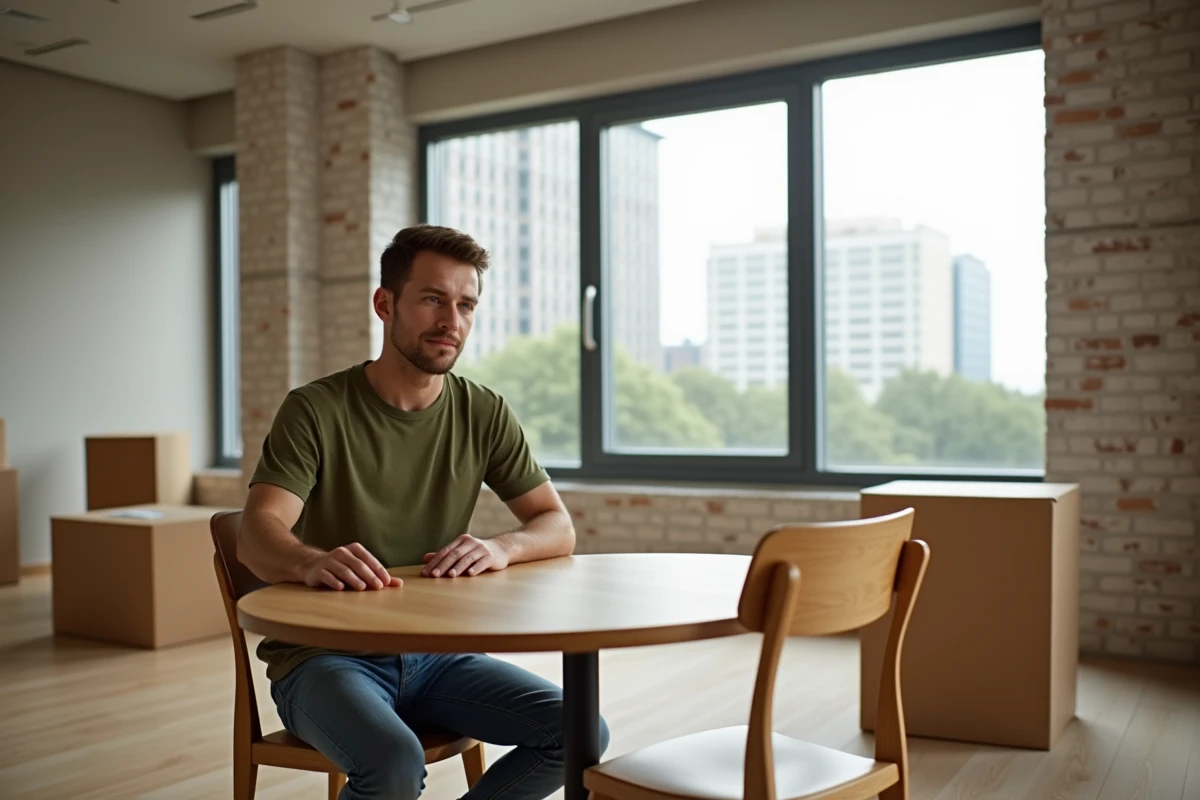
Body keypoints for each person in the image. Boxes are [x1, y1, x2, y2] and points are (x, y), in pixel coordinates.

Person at [236, 224, 610, 799]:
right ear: (385, 304)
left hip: (439, 657)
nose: (451, 321)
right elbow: (257, 534)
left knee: (580, 732)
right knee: (393, 763)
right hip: (325, 659)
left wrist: (500, 547)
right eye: (433, 299)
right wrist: (310, 561)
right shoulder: (315, 409)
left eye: (466, 305)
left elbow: (557, 525)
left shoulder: (483, 411)